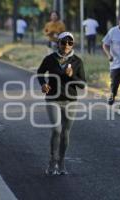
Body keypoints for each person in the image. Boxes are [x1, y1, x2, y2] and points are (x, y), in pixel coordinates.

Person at [37, 32, 86, 175]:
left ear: (73, 45)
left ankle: (62, 161)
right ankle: (53, 160)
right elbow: (40, 72)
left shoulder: (77, 61)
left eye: (70, 43)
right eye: (63, 42)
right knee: (57, 130)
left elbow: (82, 85)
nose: (66, 45)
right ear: (58, 43)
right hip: (53, 98)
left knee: (65, 132)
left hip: (70, 100)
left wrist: (72, 76)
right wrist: (43, 84)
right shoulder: (50, 59)